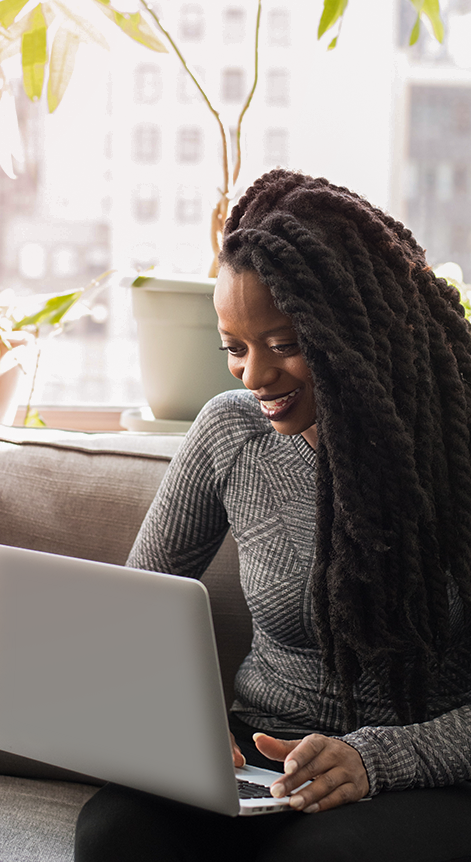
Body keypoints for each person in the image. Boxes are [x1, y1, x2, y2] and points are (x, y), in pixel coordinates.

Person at [75, 169, 471, 862]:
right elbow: (129, 619)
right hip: (255, 764)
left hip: (412, 776)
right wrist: (180, 731)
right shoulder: (232, 434)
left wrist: (374, 761)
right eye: (234, 347)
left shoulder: (456, 456)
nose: (253, 377)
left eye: (284, 344)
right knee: (116, 837)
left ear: (357, 332)